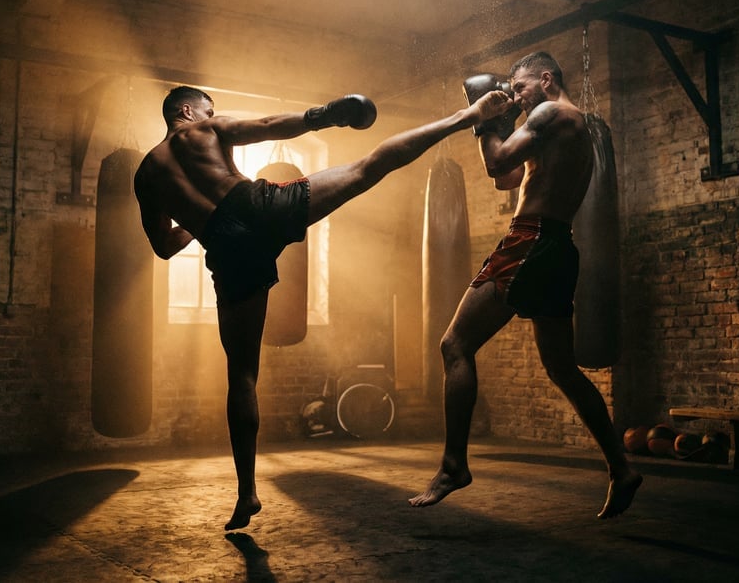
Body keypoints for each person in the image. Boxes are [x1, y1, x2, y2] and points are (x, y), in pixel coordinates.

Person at [134, 84, 507, 530]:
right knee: (369, 167)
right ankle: (468, 117)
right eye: (209, 109)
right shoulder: (205, 130)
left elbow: (162, 246)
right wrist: (328, 115)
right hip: (259, 207)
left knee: (242, 377)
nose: (214, 114)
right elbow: (271, 125)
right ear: (187, 110)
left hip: (226, 249)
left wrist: (205, 224)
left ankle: (246, 494)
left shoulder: (145, 175)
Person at [409, 51, 642, 519]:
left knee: (454, 344)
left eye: (519, 88)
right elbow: (510, 179)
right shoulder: (572, 124)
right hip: (557, 247)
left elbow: (496, 165)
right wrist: (496, 123)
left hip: (530, 241)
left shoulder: (550, 112)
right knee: (563, 369)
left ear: (546, 79)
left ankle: (454, 465)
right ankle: (621, 468)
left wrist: (482, 117)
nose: (515, 97)